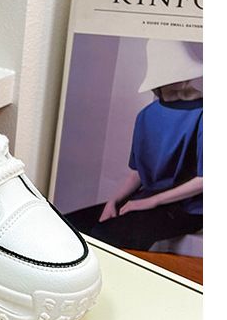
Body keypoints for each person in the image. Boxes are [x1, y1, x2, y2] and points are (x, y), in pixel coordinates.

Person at [66, 39, 203, 251]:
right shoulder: (146, 116)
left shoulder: (205, 113)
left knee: (104, 236)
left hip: (190, 209)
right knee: (69, 226)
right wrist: (113, 201)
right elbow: (138, 172)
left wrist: (151, 202)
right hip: (148, 199)